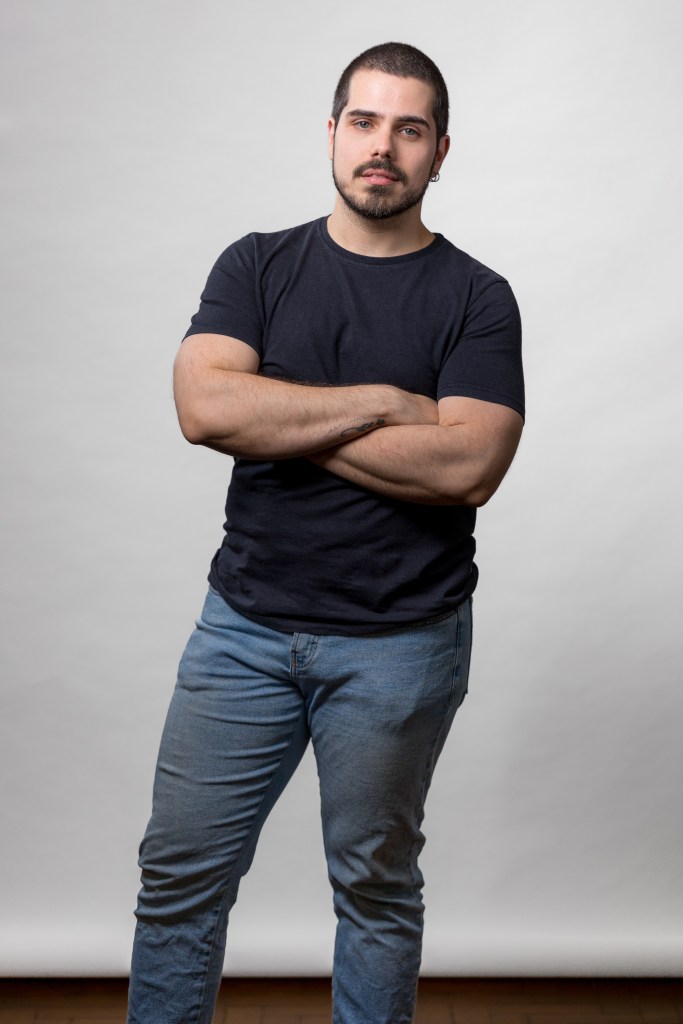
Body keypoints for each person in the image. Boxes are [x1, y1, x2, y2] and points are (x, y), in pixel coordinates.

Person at [127, 41, 524, 1024]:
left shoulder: (476, 297)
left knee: (375, 891)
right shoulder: (257, 264)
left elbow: (467, 468)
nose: (382, 146)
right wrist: (389, 404)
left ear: (438, 152)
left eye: (409, 129)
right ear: (332, 133)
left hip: (401, 644)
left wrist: (279, 417)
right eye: (363, 122)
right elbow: (202, 409)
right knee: (178, 880)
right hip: (242, 632)